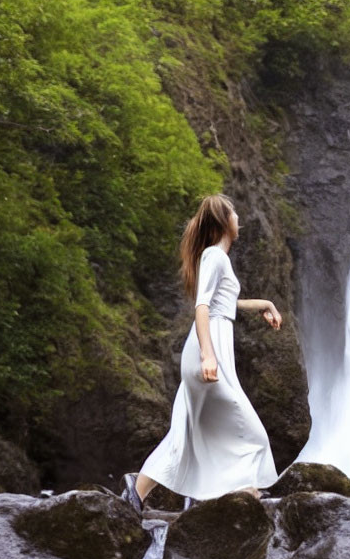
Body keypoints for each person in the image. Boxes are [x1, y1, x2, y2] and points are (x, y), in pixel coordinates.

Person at [121, 193, 284, 513]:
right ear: (224, 222)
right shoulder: (214, 256)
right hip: (207, 350)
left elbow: (226, 304)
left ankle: (136, 491)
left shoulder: (217, 258)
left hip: (213, 346)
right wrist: (209, 356)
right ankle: (244, 495)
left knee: (188, 430)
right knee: (252, 433)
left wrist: (264, 304)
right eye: (234, 214)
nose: (239, 219)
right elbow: (203, 306)